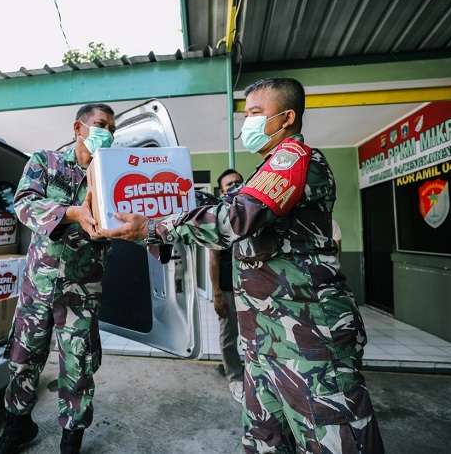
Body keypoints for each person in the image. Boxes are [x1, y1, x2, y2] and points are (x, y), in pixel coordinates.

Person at [98, 78, 384, 453]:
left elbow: (236, 218)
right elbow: (223, 206)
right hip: (265, 342)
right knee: (265, 442)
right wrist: (157, 203)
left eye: (255, 112)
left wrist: (153, 226)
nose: (246, 122)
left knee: (334, 441)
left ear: (286, 117)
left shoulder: (294, 159)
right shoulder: (263, 173)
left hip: (310, 343)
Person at [0, 103, 116, 454]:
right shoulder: (47, 162)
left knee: (78, 364)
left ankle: (72, 438)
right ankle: (17, 427)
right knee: (22, 358)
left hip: (82, 289)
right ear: (79, 128)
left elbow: (129, 216)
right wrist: (71, 212)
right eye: (101, 125)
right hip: (39, 285)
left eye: (112, 128)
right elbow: (25, 204)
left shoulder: (112, 173)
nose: (108, 133)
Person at [209, 169, 245, 402]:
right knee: (229, 335)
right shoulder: (219, 219)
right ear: (222, 192)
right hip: (229, 289)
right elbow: (213, 258)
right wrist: (217, 292)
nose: (235, 186)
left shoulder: (253, 214)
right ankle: (235, 377)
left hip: (254, 290)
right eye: (230, 185)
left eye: (239, 183)